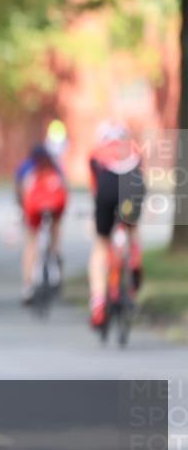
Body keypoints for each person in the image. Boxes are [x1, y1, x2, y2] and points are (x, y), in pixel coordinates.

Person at [88, 121, 144, 333]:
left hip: (107, 187)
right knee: (132, 226)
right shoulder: (134, 148)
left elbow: (96, 190)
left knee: (101, 243)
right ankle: (135, 258)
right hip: (132, 187)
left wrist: (97, 216)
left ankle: (99, 304)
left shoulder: (96, 152)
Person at [15, 143, 68, 304]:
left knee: (31, 242)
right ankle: (56, 256)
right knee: (55, 229)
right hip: (55, 207)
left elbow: (20, 191)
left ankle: (27, 286)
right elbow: (64, 191)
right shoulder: (55, 167)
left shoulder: (25, 167)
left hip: (32, 208)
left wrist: (22, 210)